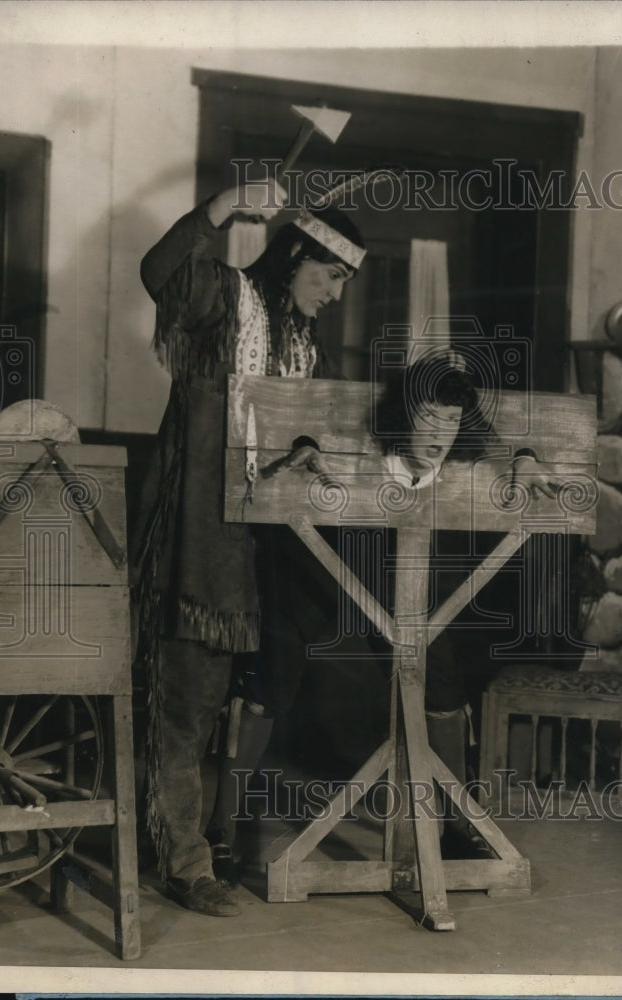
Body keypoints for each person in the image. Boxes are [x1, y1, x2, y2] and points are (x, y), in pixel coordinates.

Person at [207, 349, 559, 872]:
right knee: (272, 675)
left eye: (451, 421)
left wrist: (527, 457)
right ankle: (222, 823)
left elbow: (513, 438)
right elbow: (297, 428)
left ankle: (457, 820)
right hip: (320, 550)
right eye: (428, 418)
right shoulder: (368, 436)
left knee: (440, 677)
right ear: (402, 415)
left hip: (401, 556)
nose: (439, 434)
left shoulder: (465, 446)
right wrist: (304, 444)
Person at [130, 178, 366, 916]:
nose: (333, 293)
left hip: (259, 539)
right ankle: (184, 860)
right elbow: (158, 272)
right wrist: (222, 205)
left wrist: (301, 459)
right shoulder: (225, 298)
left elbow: (279, 441)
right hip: (199, 526)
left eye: (342, 283)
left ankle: (211, 839)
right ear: (292, 256)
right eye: (327, 275)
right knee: (186, 696)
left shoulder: (303, 344)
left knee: (258, 684)